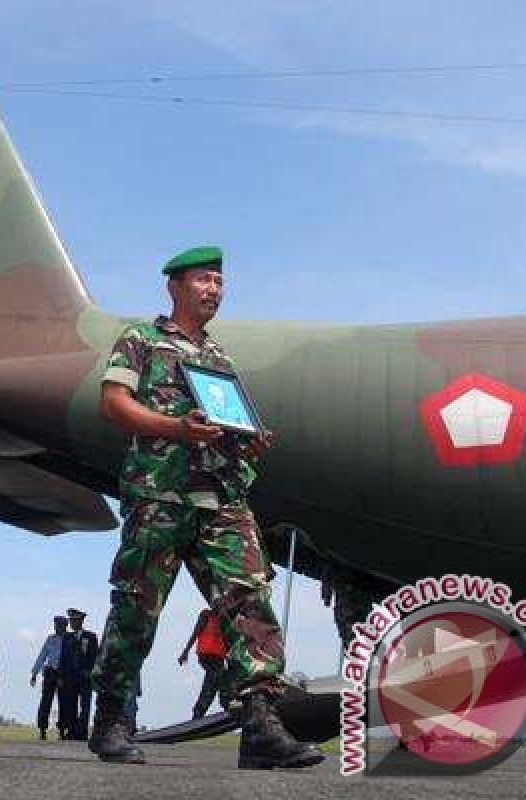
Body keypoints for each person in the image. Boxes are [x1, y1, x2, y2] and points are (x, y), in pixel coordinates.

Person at [91, 246, 324, 769]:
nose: (214, 290)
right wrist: (176, 428)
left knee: (250, 603)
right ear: (174, 285)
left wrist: (246, 440)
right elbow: (114, 404)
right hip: (161, 496)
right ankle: (109, 720)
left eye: (220, 282)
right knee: (137, 607)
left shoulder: (220, 360)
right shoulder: (140, 341)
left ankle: (261, 726)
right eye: (204, 279)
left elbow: (224, 426)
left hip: (221, 496)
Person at [178, 608, 231, 719]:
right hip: (206, 655)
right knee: (216, 678)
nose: (221, 605)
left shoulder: (225, 619)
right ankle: (224, 703)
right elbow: (195, 632)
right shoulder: (206, 615)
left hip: (218, 656)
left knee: (213, 681)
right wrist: (185, 652)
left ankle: (199, 712)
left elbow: (226, 640)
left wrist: (229, 657)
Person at [29, 615, 68, 740]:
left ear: (65, 626)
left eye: (59, 625)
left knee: (64, 703)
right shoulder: (50, 639)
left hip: (64, 673)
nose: (57, 628)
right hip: (50, 672)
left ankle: (62, 731)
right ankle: (42, 730)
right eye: (56, 625)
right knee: (46, 701)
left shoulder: (69, 639)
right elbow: (42, 656)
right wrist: (34, 674)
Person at [62, 608, 98, 740]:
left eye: (75, 620)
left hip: (85, 676)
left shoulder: (91, 637)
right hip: (70, 676)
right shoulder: (67, 637)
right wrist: (61, 676)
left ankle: (82, 732)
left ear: (81, 621)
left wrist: (91, 672)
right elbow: (63, 658)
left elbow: (95, 656)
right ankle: (71, 731)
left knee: (85, 706)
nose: (72, 623)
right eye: (71, 621)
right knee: (70, 705)